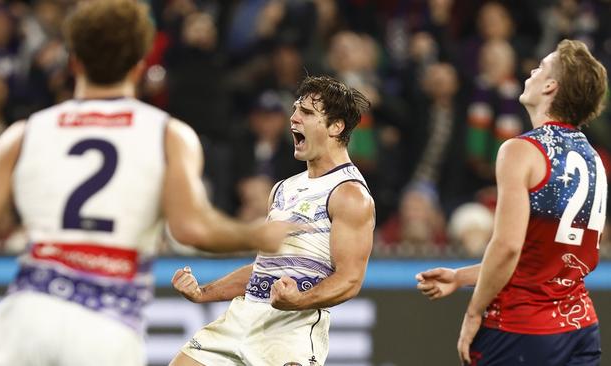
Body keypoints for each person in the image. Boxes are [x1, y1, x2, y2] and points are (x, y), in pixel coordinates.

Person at [0, 1, 296, 365]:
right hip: (108, 321)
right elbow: (191, 228)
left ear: (74, 62)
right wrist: (254, 236)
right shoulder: (167, 135)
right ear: (140, 66)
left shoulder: (25, 133)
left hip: (29, 314)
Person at [416, 39, 608, 365]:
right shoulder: (594, 159)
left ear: (551, 86)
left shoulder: (520, 151)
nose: (532, 71)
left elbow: (507, 247)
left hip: (520, 329)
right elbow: (544, 259)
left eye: (541, 66)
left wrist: (473, 312)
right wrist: (461, 277)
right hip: (581, 327)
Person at [169, 75, 375, 366]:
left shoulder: (350, 194)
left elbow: (350, 279)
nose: (293, 118)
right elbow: (263, 268)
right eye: (295, 109)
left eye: (306, 112)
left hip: (290, 333)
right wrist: (203, 293)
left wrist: (298, 301)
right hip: (242, 318)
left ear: (336, 126)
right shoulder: (283, 188)